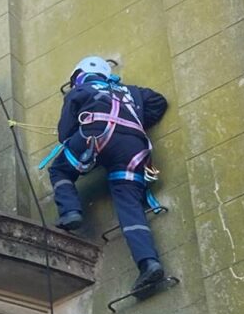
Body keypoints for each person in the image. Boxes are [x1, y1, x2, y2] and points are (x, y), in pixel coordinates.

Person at [47, 56, 168, 296]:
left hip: (95, 134)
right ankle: (148, 263)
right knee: (129, 204)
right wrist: (135, 118)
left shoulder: (79, 91)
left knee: (59, 169)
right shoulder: (130, 91)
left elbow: (64, 134)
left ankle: (71, 211)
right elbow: (159, 102)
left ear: (79, 75)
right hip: (132, 146)